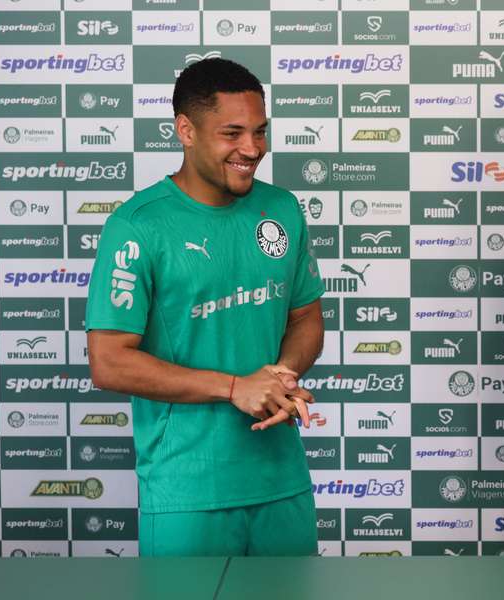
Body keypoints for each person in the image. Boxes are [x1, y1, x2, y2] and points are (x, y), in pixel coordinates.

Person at [85, 58, 325, 557]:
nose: (252, 149)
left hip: (282, 483)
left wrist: (282, 373)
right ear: (186, 130)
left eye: (260, 132)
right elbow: (108, 361)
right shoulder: (137, 226)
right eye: (232, 133)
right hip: (187, 494)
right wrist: (235, 388)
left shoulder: (282, 209)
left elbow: (305, 319)